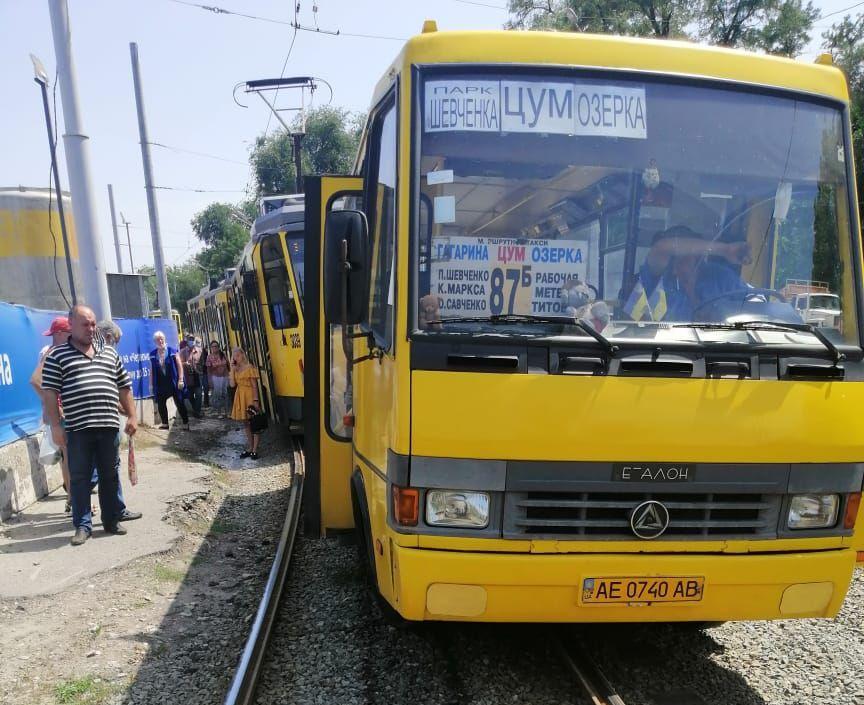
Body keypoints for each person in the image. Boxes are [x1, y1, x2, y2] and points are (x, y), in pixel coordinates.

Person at [41, 305, 137, 546]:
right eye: (85, 324)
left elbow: (124, 387)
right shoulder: (57, 356)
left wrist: (133, 416)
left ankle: (111, 520)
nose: (90, 328)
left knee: (109, 475)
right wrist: (55, 426)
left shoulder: (109, 354)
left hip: (108, 426)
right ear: (71, 325)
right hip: (78, 429)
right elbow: (50, 393)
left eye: (93, 324)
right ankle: (83, 526)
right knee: (81, 478)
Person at [623, 225, 751, 322]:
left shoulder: (719, 276)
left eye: (680, 257)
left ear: (696, 255)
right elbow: (662, 248)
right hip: (665, 353)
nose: (673, 267)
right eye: (671, 259)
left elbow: (755, 302)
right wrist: (725, 250)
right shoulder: (655, 279)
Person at [96, 320, 142, 523]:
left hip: (100, 421)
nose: (115, 344)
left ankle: (113, 511)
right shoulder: (103, 355)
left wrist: (127, 412)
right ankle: (115, 511)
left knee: (106, 469)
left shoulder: (98, 355)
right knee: (109, 469)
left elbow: (113, 391)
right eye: (115, 340)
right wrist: (128, 413)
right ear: (107, 337)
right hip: (102, 424)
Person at [30, 317, 73, 513]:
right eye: (70, 333)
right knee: (71, 458)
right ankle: (75, 500)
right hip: (64, 414)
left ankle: (73, 500)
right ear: (61, 334)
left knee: (68, 457)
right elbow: (36, 381)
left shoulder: (52, 352)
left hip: (63, 413)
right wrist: (54, 408)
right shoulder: (54, 353)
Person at [150, 331, 189, 430]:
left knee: (179, 402)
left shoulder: (172, 351)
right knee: (161, 403)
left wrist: (180, 380)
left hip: (173, 382)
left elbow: (179, 365)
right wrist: (151, 385)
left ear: (164, 339)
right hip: (161, 383)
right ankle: (165, 424)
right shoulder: (153, 354)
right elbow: (151, 370)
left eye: (161, 339)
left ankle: (185, 423)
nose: (160, 341)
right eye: (158, 340)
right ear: (155, 341)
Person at [228, 347, 261, 459]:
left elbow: (254, 386)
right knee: (246, 423)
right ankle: (250, 447)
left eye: (238, 355)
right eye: (234, 356)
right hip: (240, 395)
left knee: (254, 423)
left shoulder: (249, 367)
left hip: (250, 395)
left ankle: (255, 450)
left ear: (242, 355)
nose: (236, 358)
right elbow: (232, 385)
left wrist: (256, 400)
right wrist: (232, 369)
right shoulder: (235, 370)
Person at [205, 341, 229, 418]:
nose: (214, 348)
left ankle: (227, 412)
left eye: (216, 346)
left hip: (225, 377)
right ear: (211, 348)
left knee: (225, 394)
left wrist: (228, 376)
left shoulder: (223, 355)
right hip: (215, 378)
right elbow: (208, 370)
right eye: (213, 347)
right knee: (218, 395)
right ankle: (219, 413)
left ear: (218, 347)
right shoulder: (209, 357)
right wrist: (210, 380)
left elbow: (227, 366)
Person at [182, 342, 204, 418]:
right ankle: (195, 409)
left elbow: (203, 362)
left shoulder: (199, 351)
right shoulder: (183, 352)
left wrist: (201, 370)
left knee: (199, 395)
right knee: (190, 395)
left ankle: (197, 412)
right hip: (188, 377)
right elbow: (179, 363)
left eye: (192, 339)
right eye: (189, 339)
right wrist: (185, 363)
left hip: (197, 376)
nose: (191, 341)